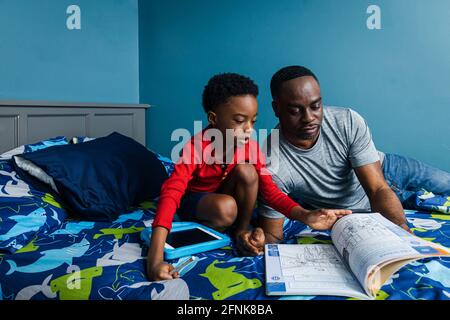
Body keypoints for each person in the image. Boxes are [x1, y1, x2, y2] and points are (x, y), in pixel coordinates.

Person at [147, 73, 351, 281]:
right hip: (198, 203)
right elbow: (171, 193)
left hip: (228, 200)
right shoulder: (195, 147)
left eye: (253, 121)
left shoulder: (250, 148)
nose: (249, 130)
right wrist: (154, 260)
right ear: (213, 118)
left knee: (247, 171)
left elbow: (270, 192)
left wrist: (305, 215)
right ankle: (230, 225)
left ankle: (241, 231)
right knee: (226, 207)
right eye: (239, 121)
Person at [257, 65, 450, 243]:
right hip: (361, 205)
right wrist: (255, 241)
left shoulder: (347, 121)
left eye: (316, 106)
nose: (309, 118)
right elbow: (273, 235)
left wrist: (400, 230)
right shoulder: (271, 161)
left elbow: (377, 188)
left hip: (388, 171)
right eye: (295, 110)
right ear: (277, 109)